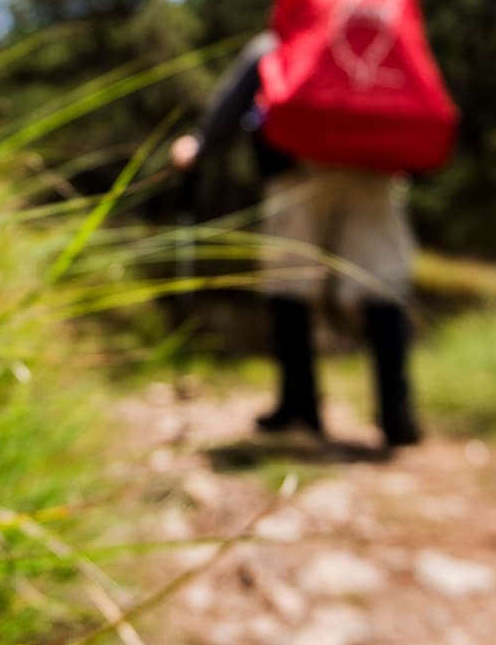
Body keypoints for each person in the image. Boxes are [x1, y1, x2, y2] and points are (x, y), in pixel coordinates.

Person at [170, 31, 423, 446]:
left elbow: (235, 101)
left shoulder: (279, 41)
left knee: (288, 281)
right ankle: (397, 414)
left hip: (297, 169)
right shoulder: (376, 39)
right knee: (382, 282)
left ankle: (300, 407)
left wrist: (200, 145)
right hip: (374, 167)